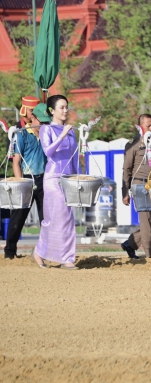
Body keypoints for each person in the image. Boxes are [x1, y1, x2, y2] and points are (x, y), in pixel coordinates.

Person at [31, 95, 79, 269]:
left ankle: (39, 252)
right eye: (62, 107)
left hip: (68, 179)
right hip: (53, 178)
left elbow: (74, 157)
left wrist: (78, 177)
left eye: (67, 107)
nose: (65, 110)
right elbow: (48, 152)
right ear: (52, 111)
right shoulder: (47, 129)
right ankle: (66, 258)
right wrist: (62, 135)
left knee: (58, 218)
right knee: (62, 217)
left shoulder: (71, 130)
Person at [5, 102, 48, 259]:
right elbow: (16, 162)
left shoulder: (47, 135)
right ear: (34, 118)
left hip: (44, 179)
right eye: (42, 121)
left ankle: (44, 252)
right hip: (26, 179)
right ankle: (10, 252)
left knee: (46, 219)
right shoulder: (22, 134)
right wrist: (20, 184)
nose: (44, 124)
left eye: (47, 122)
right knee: (18, 217)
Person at [120, 114, 151, 260]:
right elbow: (126, 169)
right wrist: (125, 192)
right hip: (140, 185)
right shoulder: (133, 144)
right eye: (147, 126)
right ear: (140, 126)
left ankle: (130, 244)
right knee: (146, 222)